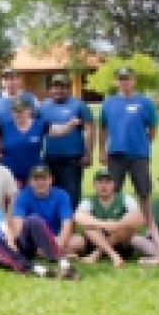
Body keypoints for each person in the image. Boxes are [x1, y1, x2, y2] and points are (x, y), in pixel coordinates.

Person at [0, 182, 79, 280]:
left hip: (12, 246)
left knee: (33, 220)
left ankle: (63, 263)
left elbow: (5, 227)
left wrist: (11, 242)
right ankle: (37, 269)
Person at [99, 65, 159, 224]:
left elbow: (152, 128)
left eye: (128, 79)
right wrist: (102, 151)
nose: (124, 82)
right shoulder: (108, 103)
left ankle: (149, 226)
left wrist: (143, 143)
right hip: (115, 155)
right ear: (116, 82)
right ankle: (111, 225)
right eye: (121, 79)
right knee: (112, 192)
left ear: (134, 81)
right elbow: (103, 128)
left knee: (144, 192)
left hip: (139, 156)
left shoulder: (145, 103)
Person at [0, 98, 82, 187]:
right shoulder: (4, 127)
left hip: (35, 176)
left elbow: (59, 131)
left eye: (21, 111)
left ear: (29, 111)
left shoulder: (40, 125)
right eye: (15, 111)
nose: (18, 114)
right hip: (11, 176)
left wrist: (70, 124)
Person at [40, 73, 95, 211]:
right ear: (50, 89)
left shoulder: (79, 105)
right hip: (49, 159)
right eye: (55, 87)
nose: (59, 90)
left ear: (69, 88)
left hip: (72, 159)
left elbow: (88, 130)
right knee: (49, 194)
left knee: (71, 195)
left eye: (63, 87)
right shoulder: (43, 106)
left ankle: (70, 227)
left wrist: (88, 153)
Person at [71, 169, 144, 267]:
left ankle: (96, 254)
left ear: (113, 184)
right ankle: (113, 255)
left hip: (119, 244)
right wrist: (104, 224)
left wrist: (117, 225)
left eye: (107, 182)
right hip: (95, 242)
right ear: (94, 185)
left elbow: (139, 217)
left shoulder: (125, 198)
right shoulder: (88, 201)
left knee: (128, 228)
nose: (104, 186)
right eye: (100, 182)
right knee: (87, 227)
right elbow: (78, 217)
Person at [10, 164, 75, 255]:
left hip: (56, 238)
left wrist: (59, 244)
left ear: (51, 180)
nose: (40, 183)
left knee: (79, 241)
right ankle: (51, 252)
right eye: (36, 179)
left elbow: (67, 223)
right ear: (30, 182)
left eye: (44, 179)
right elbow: (18, 226)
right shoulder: (22, 196)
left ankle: (46, 251)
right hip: (34, 242)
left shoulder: (62, 195)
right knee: (14, 239)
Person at [0, 68, 38, 147]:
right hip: (4, 147)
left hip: (27, 145)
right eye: (6, 79)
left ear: (19, 81)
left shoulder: (31, 98)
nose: (10, 82)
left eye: (13, 79)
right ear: (2, 82)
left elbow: (37, 120)